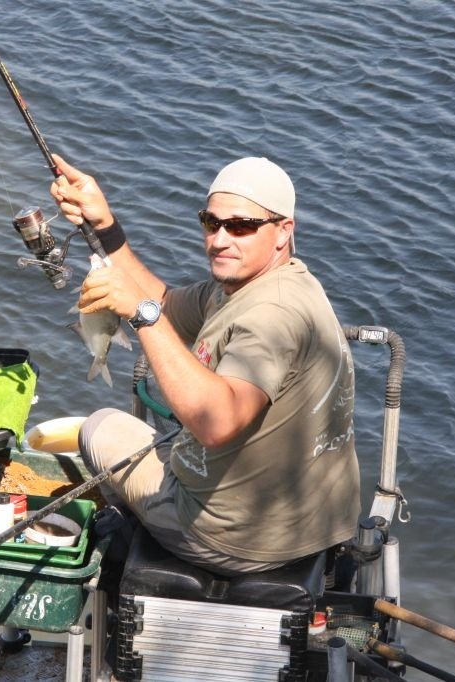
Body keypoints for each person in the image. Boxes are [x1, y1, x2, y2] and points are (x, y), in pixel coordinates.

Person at [50, 154, 359, 575]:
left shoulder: (273, 315)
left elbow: (216, 424)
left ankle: (129, 541)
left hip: (233, 540)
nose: (220, 239)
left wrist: (140, 316)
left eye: (242, 226)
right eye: (211, 223)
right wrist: (104, 226)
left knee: (99, 426)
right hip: (310, 522)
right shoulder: (257, 283)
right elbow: (166, 306)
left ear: (284, 231)